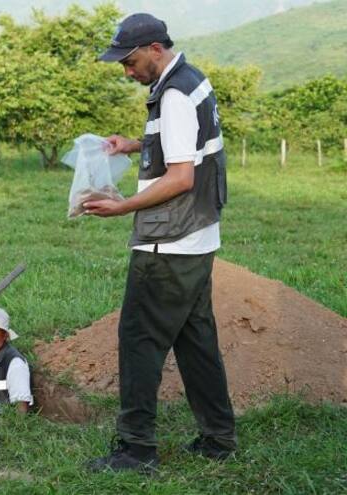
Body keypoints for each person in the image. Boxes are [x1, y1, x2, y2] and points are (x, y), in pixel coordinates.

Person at [84, 13, 236, 473]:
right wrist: (134, 145)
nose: (126, 72)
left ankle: (135, 451)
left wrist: (123, 206)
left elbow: (181, 177)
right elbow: (184, 146)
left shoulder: (172, 95)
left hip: (167, 245)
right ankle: (218, 439)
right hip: (199, 237)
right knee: (196, 342)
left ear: (154, 48)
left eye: (129, 62)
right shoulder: (191, 80)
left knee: (139, 341)